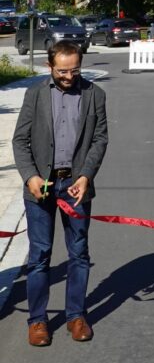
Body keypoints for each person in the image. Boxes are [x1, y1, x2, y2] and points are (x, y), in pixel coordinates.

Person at [12, 41, 108, 346]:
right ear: (50, 66)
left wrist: (86, 175)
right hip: (41, 186)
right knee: (40, 255)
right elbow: (20, 140)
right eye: (62, 71)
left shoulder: (95, 95)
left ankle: (76, 316)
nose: (68, 76)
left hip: (76, 186)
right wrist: (30, 177)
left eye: (74, 70)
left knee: (79, 252)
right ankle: (37, 321)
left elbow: (100, 140)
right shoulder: (35, 94)